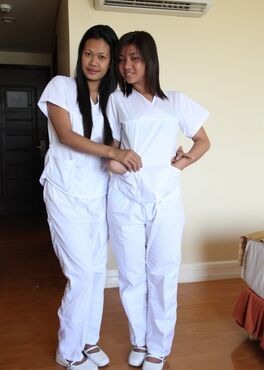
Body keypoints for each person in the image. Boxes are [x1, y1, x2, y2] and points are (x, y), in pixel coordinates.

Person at [38, 25, 142, 370]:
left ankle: (87, 340)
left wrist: (148, 155)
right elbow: (67, 135)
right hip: (64, 192)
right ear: (80, 55)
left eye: (101, 56)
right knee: (81, 273)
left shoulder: (112, 101)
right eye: (88, 53)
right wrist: (115, 151)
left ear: (110, 62)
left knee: (97, 272)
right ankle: (67, 351)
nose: (93, 62)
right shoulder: (62, 87)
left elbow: (117, 150)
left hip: (98, 194)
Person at [106, 31, 210, 370]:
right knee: (132, 274)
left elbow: (202, 141)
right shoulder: (116, 101)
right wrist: (118, 162)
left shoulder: (176, 101)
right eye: (121, 59)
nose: (126, 65)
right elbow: (110, 151)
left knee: (163, 273)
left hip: (165, 199)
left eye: (134, 58)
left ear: (149, 59)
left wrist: (181, 163)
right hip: (126, 198)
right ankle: (140, 338)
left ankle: (158, 347)